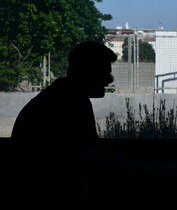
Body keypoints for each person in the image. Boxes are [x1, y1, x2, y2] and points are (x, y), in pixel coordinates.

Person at [10, 41, 117, 208]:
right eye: (104, 73)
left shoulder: (63, 96)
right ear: (87, 72)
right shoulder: (70, 103)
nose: (109, 80)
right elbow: (80, 157)